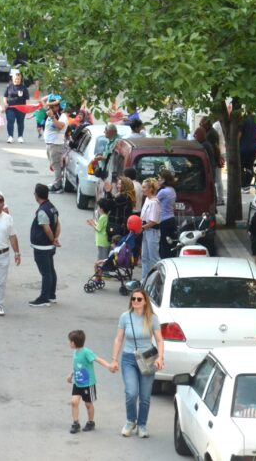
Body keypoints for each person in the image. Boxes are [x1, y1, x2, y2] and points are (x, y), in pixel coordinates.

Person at [110, 288, 164, 438]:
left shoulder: (152, 318)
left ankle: (142, 424)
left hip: (147, 359)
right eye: (133, 299)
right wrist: (114, 359)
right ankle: (130, 421)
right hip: (129, 358)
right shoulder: (125, 317)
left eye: (139, 299)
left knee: (145, 396)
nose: (135, 301)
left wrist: (160, 357)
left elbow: (159, 340)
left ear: (145, 301)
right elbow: (118, 339)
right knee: (131, 392)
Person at [67, 329, 113, 434]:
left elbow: (98, 359)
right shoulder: (75, 352)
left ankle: (90, 422)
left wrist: (109, 366)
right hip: (77, 383)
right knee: (74, 402)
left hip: (88, 384)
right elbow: (77, 367)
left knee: (88, 404)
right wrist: (70, 375)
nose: (69, 343)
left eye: (70, 341)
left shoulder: (86, 352)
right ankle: (75, 423)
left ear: (74, 342)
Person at [29, 183, 61, 307]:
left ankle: (44, 298)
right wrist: (56, 238)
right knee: (50, 270)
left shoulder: (42, 211)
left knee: (46, 273)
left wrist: (53, 239)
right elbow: (58, 224)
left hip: (42, 247)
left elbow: (47, 229)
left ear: (37, 195)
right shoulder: (52, 207)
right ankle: (51, 295)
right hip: (49, 247)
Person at [139, 178, 161, 281]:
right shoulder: (147, 199)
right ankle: (144, 280)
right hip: (146, 230)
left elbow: (153, 221)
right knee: (145, 257)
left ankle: (160, 279)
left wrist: (141, 228)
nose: (142, 189)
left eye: (144, 187)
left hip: (152, 231)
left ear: (150, 189)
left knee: (154, 258)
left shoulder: (154, 203)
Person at [44, 99, 68, 191]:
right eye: (49, 107)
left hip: (56, 144)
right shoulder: (53, 114)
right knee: (54, 165)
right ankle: (56, 182)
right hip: (50, 144)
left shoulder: (62, 116)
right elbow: (43, 103)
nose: (49, 109)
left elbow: (60, 126)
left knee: (57, 165)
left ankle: (58, 186)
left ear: (58, 107)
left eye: (52, 107)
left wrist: (52, 117)